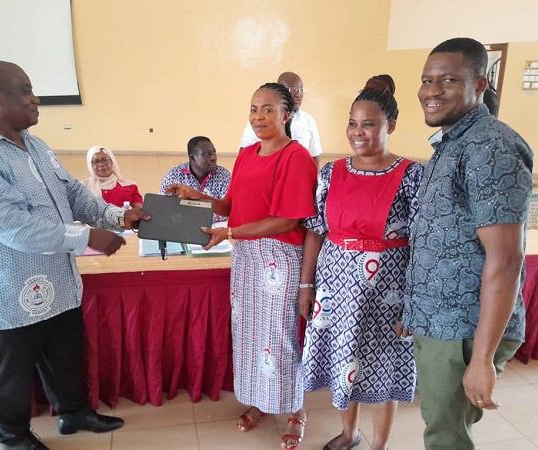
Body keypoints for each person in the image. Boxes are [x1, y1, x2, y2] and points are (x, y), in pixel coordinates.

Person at [0, 60, 149, 450]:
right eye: (24, 90)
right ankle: (14, 438)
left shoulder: (36, 145)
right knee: (9, 371)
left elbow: (73, 194)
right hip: (4, 289)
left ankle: (73, 413)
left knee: (65, 355)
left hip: (56, 280)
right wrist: (89, 236)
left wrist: (118, 216)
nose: (35, 98)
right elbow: (12, 225)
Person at [167, 82, 317, 449]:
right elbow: (231, 204)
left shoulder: (295, 157)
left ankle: (296, 410)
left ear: (287, 114)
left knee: (280, 338)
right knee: (251, 335)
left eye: (268, 109)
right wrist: (199, 197)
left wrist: (229, 233)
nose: (258, 117)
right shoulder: (248, 153)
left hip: (278, 259)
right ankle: (262, 402)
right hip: (247, 257)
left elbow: (286, 220)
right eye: (253, 109)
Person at [402, 37, 533, 449]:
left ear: (480, 84)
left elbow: (506, 258)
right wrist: (414, 309)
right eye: (426, 80)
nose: (432, 90)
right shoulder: (453, 141)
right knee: (440, 428)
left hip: (463, 329)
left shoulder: (490, 146)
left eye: (448, 81)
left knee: (447, 438)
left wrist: (480, 359)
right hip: (439, 321)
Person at [299, 75, 423, 450]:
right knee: (343, 362)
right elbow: (315, 231)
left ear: (391, 126)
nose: (358, 132)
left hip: (387, 294)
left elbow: (421, 243)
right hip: (335, 288)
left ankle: (379, 446)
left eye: (369, 124)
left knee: (381, 370)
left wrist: (413, 303)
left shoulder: (412, 175)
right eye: (353, 123)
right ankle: (350, 434)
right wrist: (306, 285)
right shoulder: (330, 173)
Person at [239, 72, 323, 167]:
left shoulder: (308, 121)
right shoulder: (260, 121)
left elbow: (314, 156)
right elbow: (244, 154)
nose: (298, 95)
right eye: (293, 90)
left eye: (301, 90)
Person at [159, 136, 231, 222]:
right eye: (207, 154)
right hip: (183, 224)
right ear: (192, 158)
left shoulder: (223, 175)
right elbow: (163, 208)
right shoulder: (175, 176)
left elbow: (228, 210)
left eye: (214, 153)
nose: (213, 158)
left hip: (215, 227)